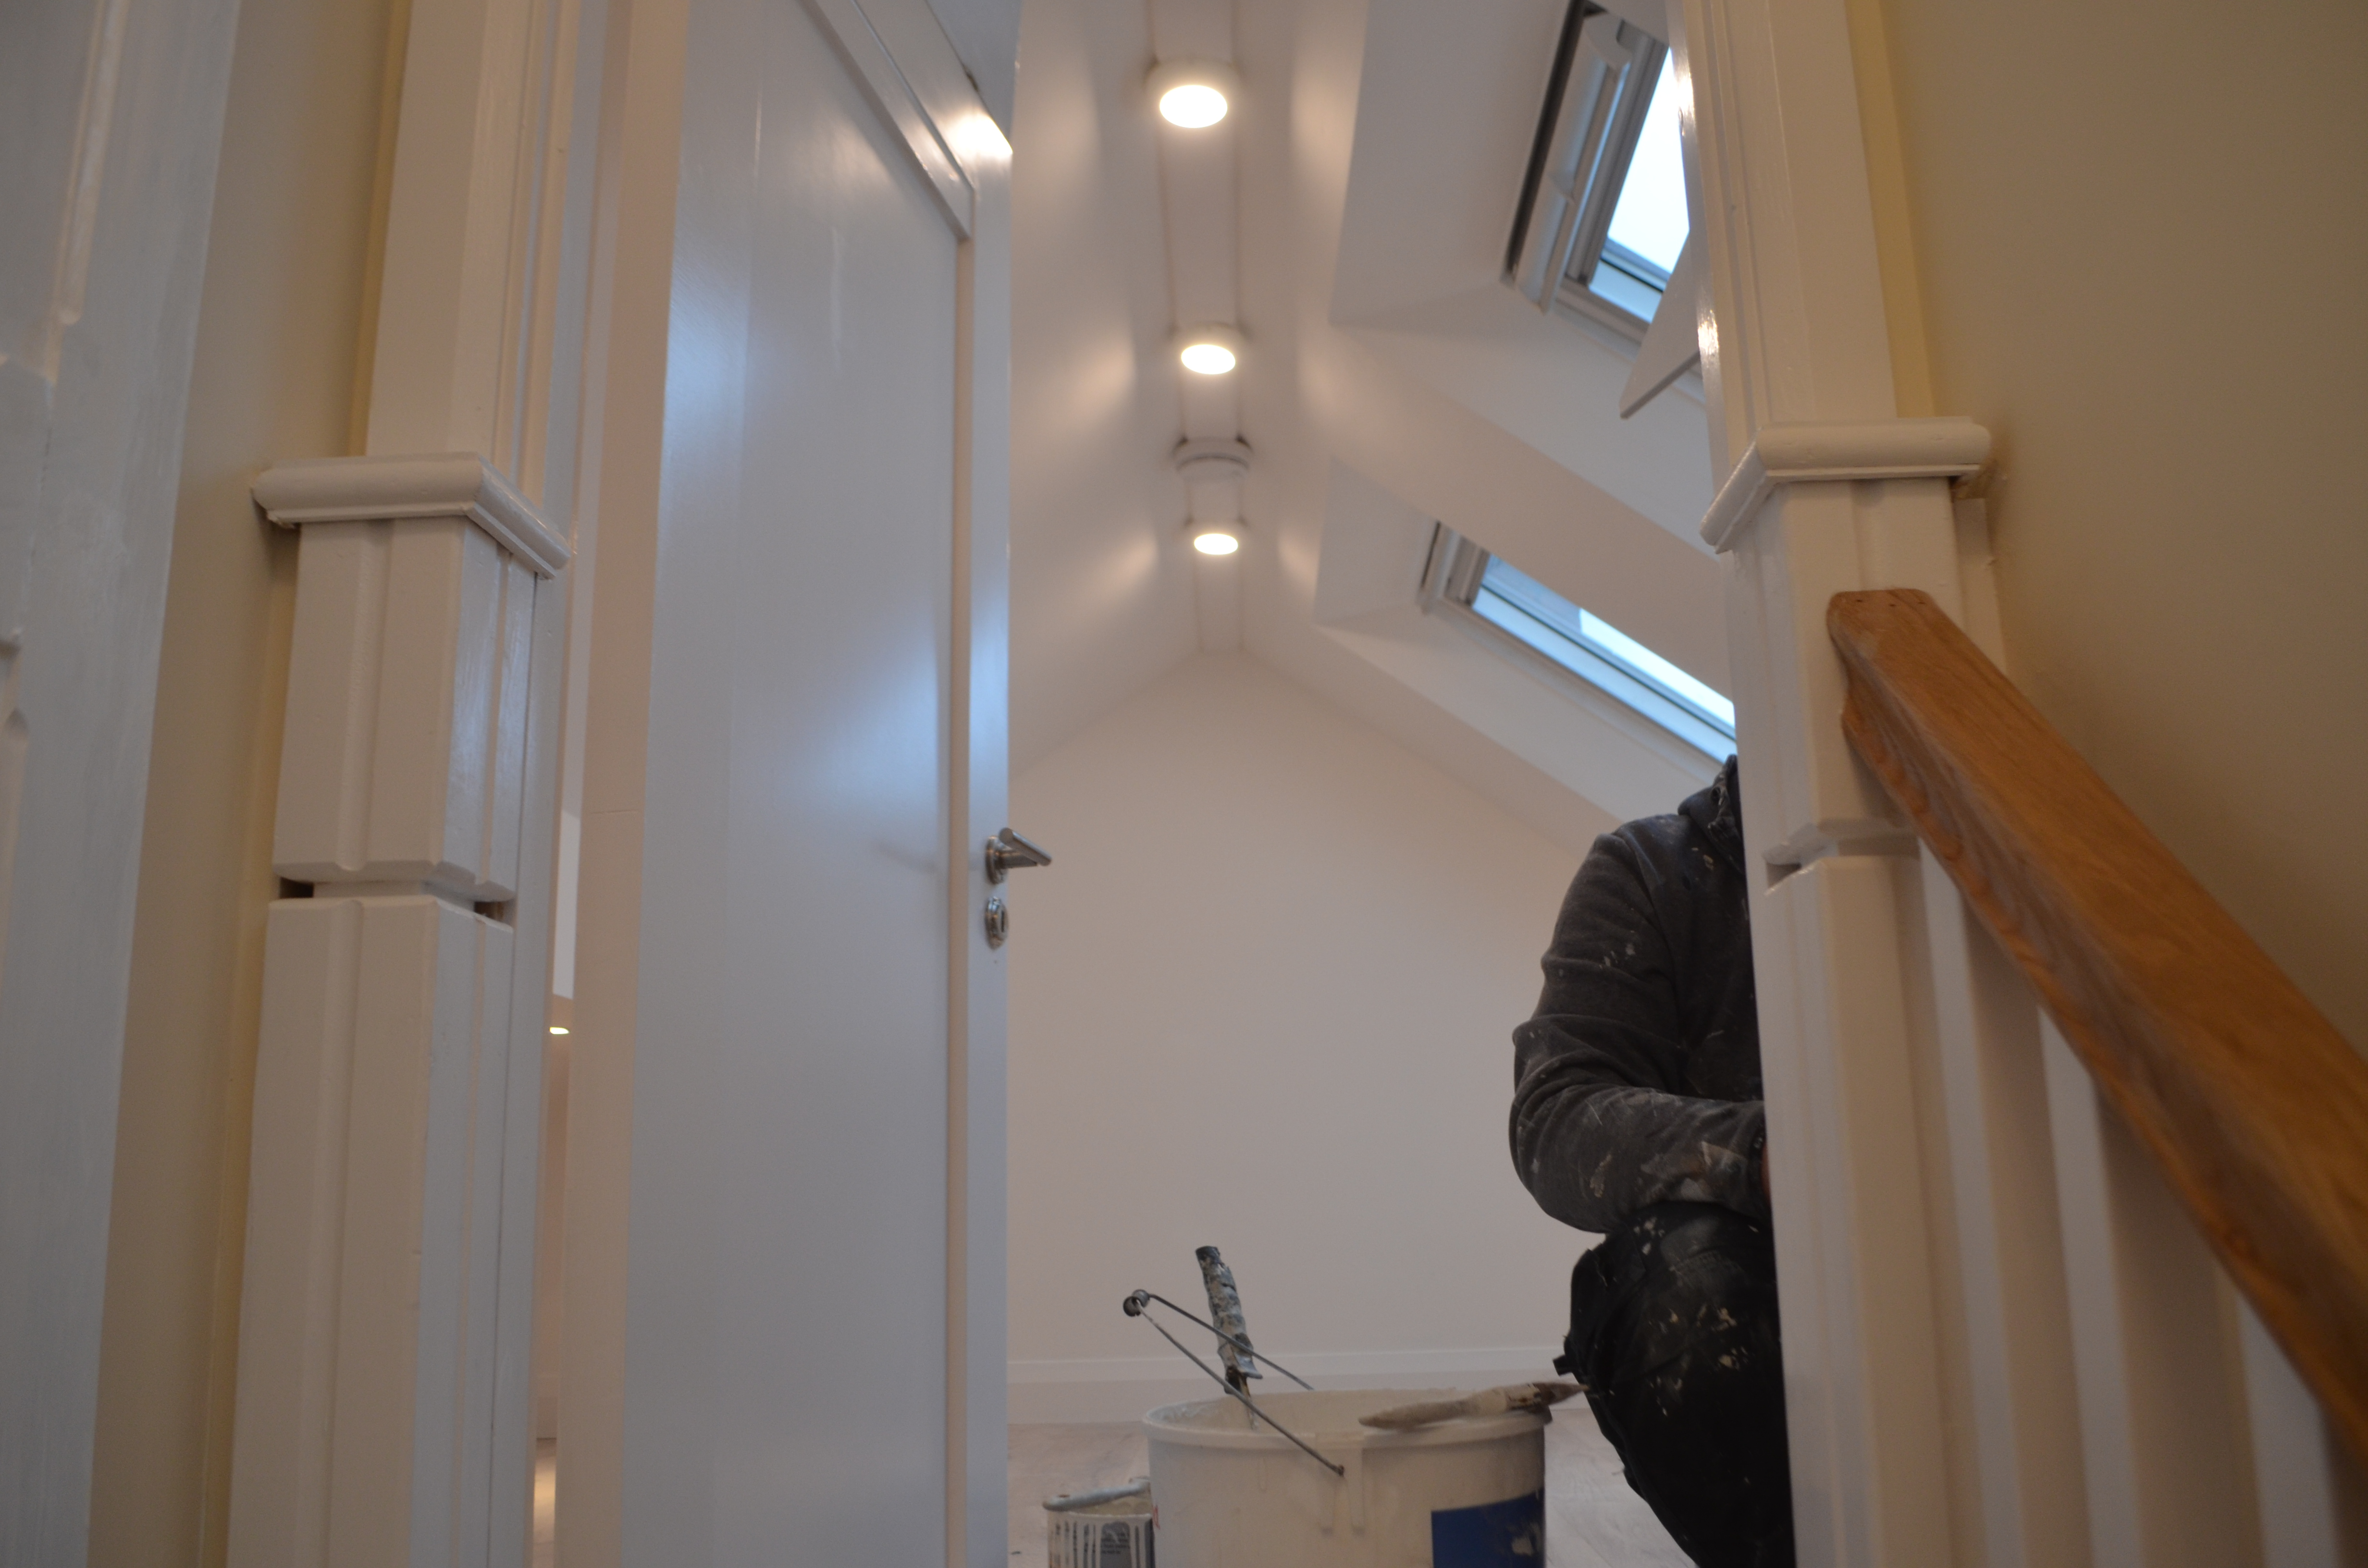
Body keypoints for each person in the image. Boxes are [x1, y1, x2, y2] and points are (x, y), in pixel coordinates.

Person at [1509, 756, 1794, 1568]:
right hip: (1750, 1279)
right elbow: (1557, 1117)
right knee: (1688, 1286)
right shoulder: (1655, 868)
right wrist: (1765, 1155)